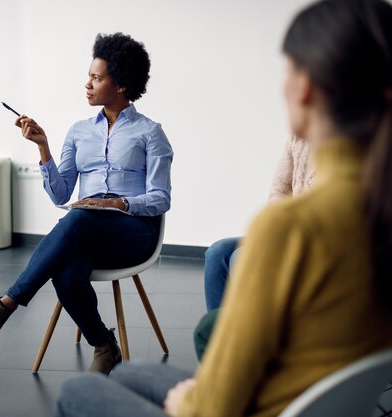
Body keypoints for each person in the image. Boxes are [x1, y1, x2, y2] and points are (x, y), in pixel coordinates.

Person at [55, 0, 392, 416]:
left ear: (305, 86)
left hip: (250, 405)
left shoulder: (293, 228)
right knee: (129, 374)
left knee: (78, 393)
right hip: (317, 399)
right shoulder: (377, 208)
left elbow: (215, 407)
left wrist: (190, 399)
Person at [0, 32, 173, 375]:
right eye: (89, 76)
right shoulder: (78, 131)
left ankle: (5, 306)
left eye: (96, 78)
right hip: (87, 227)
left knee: (81, 219)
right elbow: (60, 195)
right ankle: (104, 345)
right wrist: (43, 147)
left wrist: (118, 203)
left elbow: (160, 198)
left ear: (121, 84)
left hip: (133, 232)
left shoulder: (150, 133)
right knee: (67, 270)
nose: (87, 84)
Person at [204, 135, 315, 311]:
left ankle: (249, 334)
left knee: (240, 257)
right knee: (217, 252)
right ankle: (217, 334)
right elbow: (279, 190)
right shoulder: (297, 137)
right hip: (284, 231)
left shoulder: (345, 141)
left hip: (313, 240)